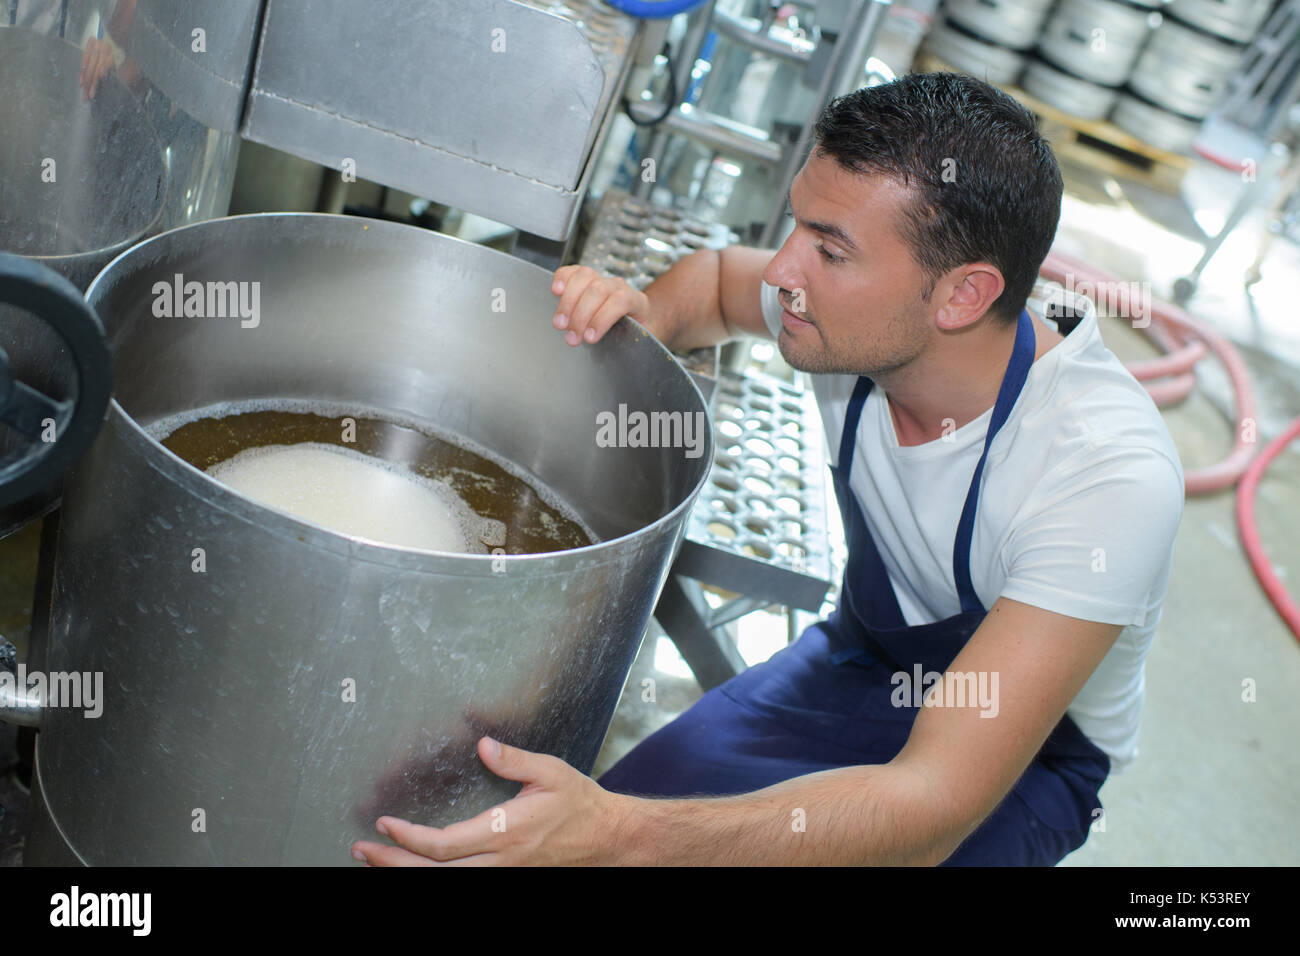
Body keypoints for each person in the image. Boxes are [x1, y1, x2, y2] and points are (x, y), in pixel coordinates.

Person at [351, 72, 1184, 866]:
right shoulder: (854, 318)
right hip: (858, 661)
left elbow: (929, 808)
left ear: (962, 296)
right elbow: (715, 283)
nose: (783, 271)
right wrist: (646, 315)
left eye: (830, 249)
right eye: (797, 225)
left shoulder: (1101, 478)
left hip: (1021, 763)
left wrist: (618, 835)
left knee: (624, 839)